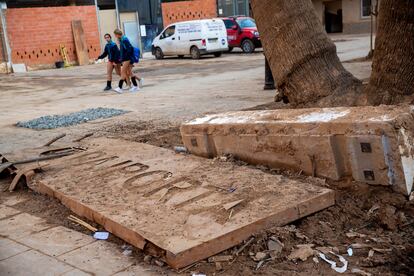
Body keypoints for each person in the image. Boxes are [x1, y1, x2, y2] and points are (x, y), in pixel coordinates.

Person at [113, 29, 142, 93]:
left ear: (117, 34)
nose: (115, 36)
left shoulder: (124, 40)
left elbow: (129, 49)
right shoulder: (122, 40)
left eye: (115, 35)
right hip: (125, 58)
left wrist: (125, 57)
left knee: (123, 72)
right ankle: (136, 86)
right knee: (130, 72)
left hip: (126, 59)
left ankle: (120, 88)